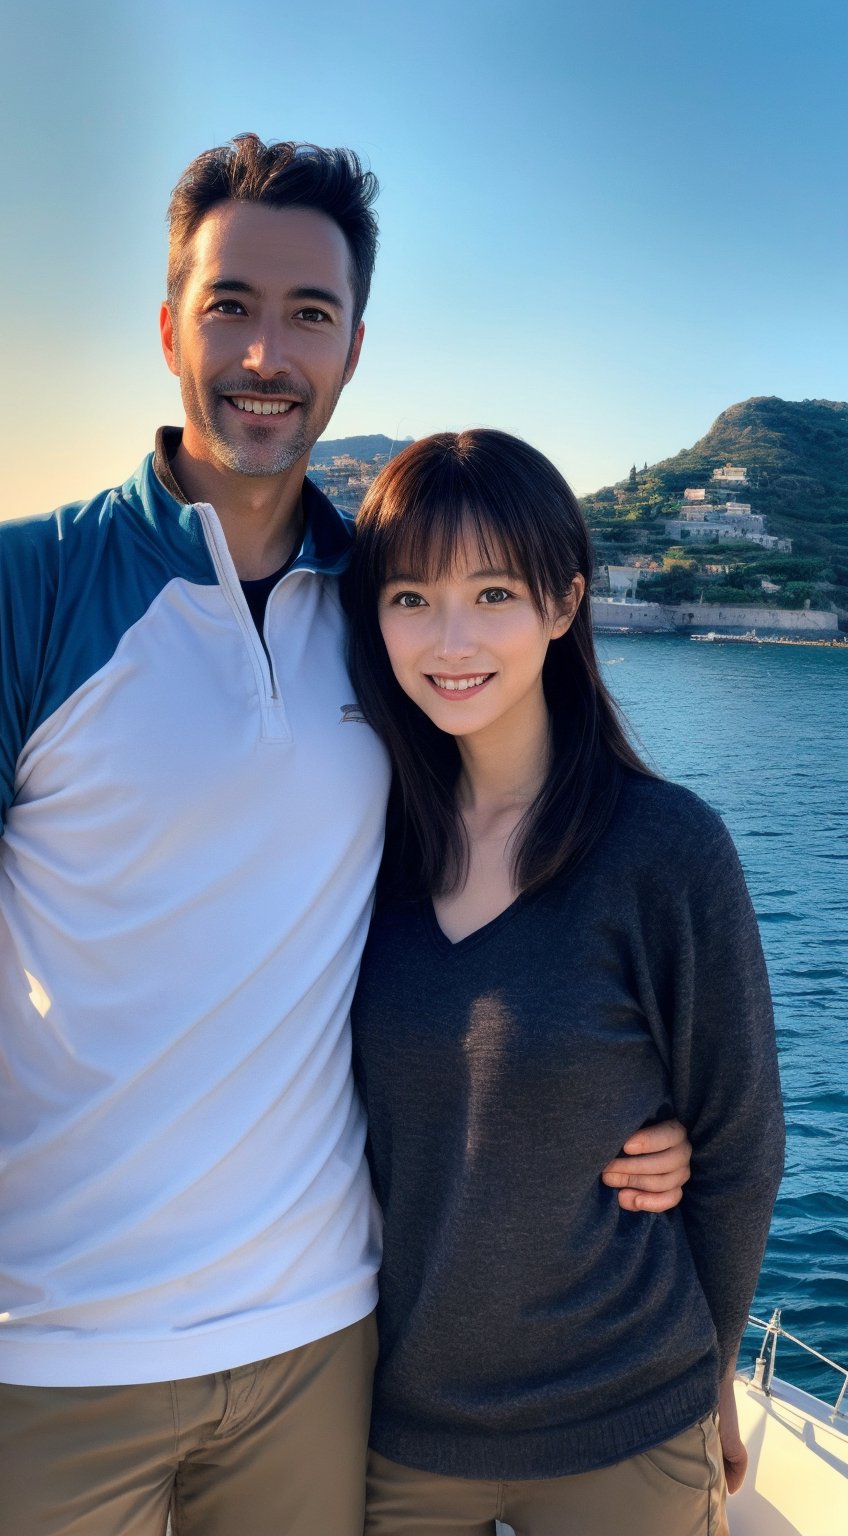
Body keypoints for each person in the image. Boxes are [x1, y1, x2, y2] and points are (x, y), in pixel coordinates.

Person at [0, 140, 689, 1536]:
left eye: (308, 314)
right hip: (54, 1346)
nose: (265, 352)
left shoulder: (393, 611)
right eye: (231, 304)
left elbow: (502, 890)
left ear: (353, 348)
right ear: (170, 325)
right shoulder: (14, 590)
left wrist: (635, 1121)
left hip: (320, 1338)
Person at [344, 429, 784, 1536]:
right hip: (394, 1431)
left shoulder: (664, 850)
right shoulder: (358, 852)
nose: (451, 640)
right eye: (409, 597)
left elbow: (738, 1145)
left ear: (562, 602)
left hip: (627, 1420)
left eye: (493, 592)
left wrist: (712, 1375)